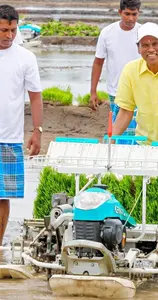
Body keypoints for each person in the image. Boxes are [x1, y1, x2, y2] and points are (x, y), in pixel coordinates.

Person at [0, 5, 43, 246]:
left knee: (2, 195)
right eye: (3, 30)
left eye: (13, 30)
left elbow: (35, 96)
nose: (9, 35)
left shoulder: (26, 57)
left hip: (9, 136)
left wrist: (37, 131)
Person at [89, 0, 141, 115]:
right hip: (116, 91)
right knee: (118, 130)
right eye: (127, 14)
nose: (131, 18)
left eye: (134, 14)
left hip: (141, 91)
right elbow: (98, 62)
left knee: (139, 130)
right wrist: (93, 92)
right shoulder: (107, 33)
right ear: (120, 12)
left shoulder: (143, 33)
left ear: (139, 13)